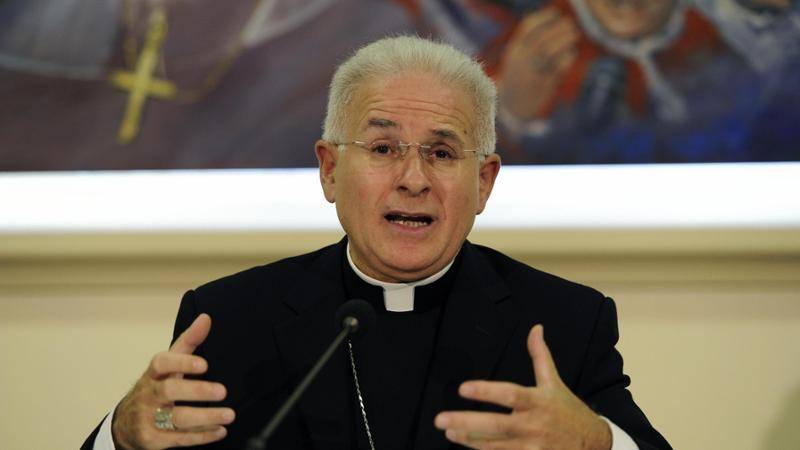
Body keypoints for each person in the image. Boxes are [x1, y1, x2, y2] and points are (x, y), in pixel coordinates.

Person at [82, 36, 671, 450]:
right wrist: (123, 436)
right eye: (383, 148)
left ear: (484, 182)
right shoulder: (231, 320)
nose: (413, 180)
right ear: (329, 170)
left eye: (442, 152)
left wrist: (594, 442)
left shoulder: (564, 323)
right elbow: (160, 429)